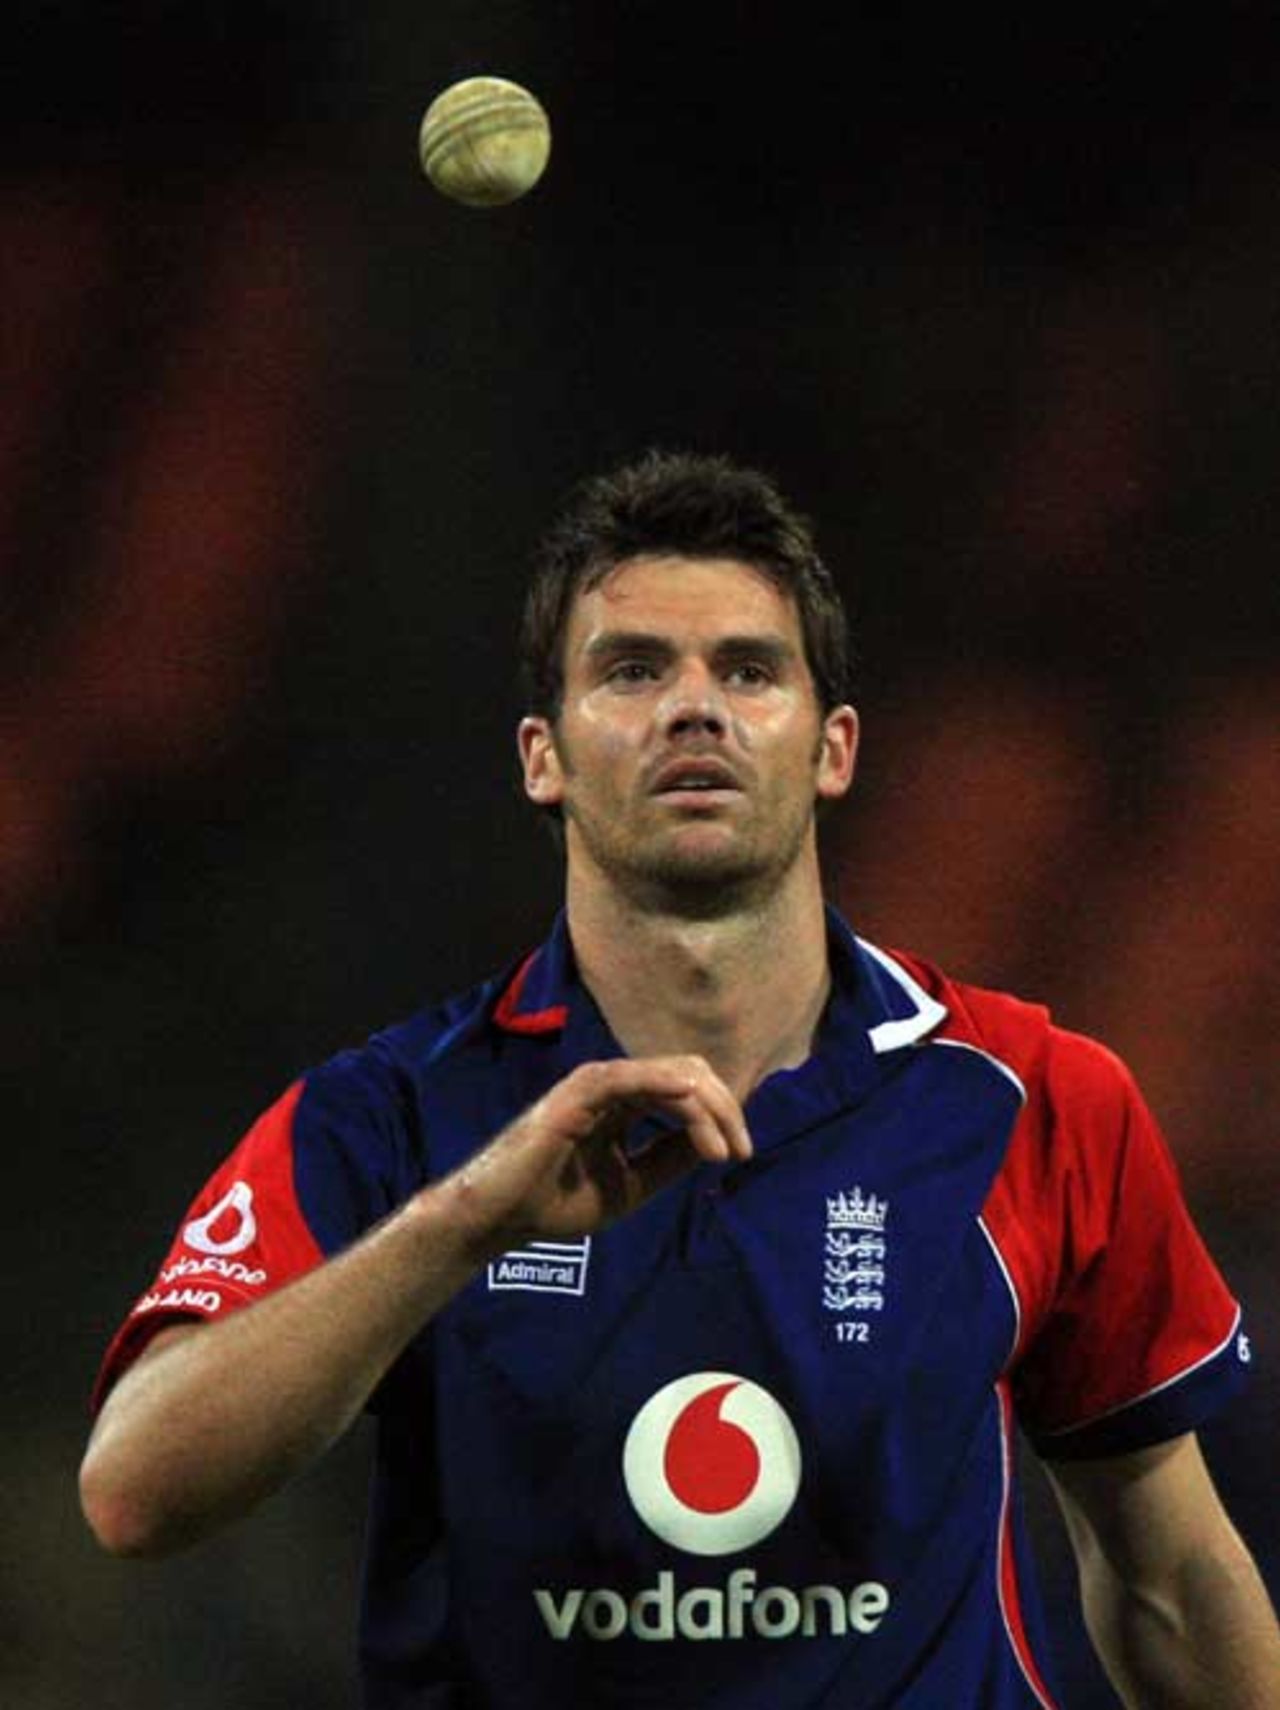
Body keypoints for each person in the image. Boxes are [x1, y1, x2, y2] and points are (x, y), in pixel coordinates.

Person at [80, 451, 1280, 1709]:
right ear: (542, 757)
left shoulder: (1032, 1099)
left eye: (749, 671)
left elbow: (1171, 1581)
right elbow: (135, 1490)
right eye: (632, 669)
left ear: (833, 749)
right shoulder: (391, 1116)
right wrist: (467, 1216)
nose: (692, 709)